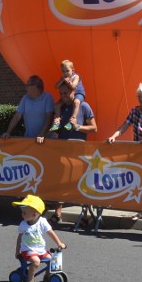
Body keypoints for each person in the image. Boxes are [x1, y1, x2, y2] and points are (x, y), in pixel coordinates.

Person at [106, 83, 142, 223]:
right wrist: (114, 135)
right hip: (137, 149)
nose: (141, 99)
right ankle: (139, 210)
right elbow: (125, 125)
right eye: (139, 96)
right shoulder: (134, 110)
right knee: (138, 179)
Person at [49, 83, 98, 223]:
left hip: (80, 152)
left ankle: (85, 216)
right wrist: (55, 129)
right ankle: (58, 214)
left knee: (82, 183)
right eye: (61, 94)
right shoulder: (60, 108)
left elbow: (94, 128)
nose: (63, 96)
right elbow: (54, 130)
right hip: (63, 152)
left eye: (66, 93)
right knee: (61, 182)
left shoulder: (84, 106)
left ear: (74, 92)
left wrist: (78, 127)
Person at [12, 194, 66, 282]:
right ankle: (30, 281)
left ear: (35, 213)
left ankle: (48, 275)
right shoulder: (23, 224)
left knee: (52, 259)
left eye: (24, 212)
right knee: (36, 261)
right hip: (28, 250)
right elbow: (19, 238)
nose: (22, 214)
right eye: (22, 212)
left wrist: (59, 243)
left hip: (40, 250)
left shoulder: (42, 222)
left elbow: (51, 233)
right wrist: (17, 251)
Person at [2, 75, 54, 144]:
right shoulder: (25, 98)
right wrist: (8, 132)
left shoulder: (48, 97)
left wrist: (41, 134)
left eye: (27, 86)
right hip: (28, 139)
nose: (25, 88)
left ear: (35, 86)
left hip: (45, 140)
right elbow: (17, 116)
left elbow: (49, 118)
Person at [50, 60, 84, 132]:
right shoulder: (63, 77)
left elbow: (73, 86)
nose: (65, 73)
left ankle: (72, 119)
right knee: (57, 105)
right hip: (68, 96)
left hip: (78, 94)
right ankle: (57, 121)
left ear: (73, 70)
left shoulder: (76, 76)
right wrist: (61, 80)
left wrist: (68, 82)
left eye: (67, 71)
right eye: (63, 71)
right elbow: (56, 86)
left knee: (76, 102)